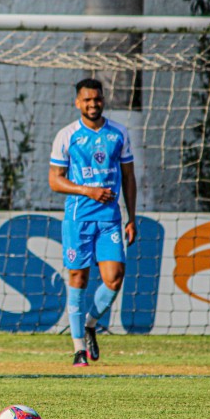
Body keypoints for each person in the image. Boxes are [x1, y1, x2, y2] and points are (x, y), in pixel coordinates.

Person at [49, 78, 137, 367]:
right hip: (78, 218)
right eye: (87, 100)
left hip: (110, 219)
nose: (92, 104)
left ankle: (90, 324)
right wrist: (88, 191)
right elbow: (55, 181)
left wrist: (132, 217)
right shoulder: (67, 135)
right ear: (78, 102)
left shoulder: (119, 133)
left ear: (103, 100)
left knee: (114, 278)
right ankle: (78, 349)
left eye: (97, 99)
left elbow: (128, 177)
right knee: (78, 278)